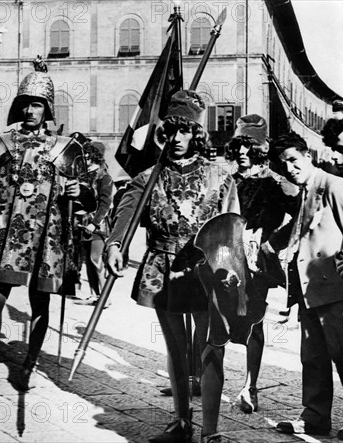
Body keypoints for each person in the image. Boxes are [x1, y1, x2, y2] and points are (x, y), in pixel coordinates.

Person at [106, 90, 259, 442]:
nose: (177, 139)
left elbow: (231, 226)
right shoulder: (148, 177)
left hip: (206, 271)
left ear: (197, 134)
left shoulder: (219, 176)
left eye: (186, 131)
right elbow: (126, 214)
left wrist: (234, 273)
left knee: (208, 349)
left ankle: (210, 431)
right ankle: (181, 423)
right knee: (175, 349)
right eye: (172, 131)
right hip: (163, 268)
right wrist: (115, 244)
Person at [0, 69, 95, 389]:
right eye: (25, 103)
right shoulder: (0, 145)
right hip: (8, 233)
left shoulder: (67, 148)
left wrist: (77, 192)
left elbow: (89, 195)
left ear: (47, 109)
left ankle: (28, 364)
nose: (30, 110)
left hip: (48, 237)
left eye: (37, 104)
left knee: (40, 303)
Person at [266, 133, 343, 441]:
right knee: (312, 357)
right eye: (283, 163)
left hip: (334, 290)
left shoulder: (335, 186)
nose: (289, 167)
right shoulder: (305, 191)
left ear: (308, 155)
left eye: (293, 159)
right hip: (308, 289)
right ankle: (314, 418)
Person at [224, 114, 298, 413]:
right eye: (239, 146)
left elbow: (303, 215)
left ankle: (250, 386)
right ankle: (196, 376)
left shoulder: (276, 184)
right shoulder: (225, 179)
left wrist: (273, 244)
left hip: (254, 264)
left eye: (250, 147)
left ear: (260, 151)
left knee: (253, 321)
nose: (243, 153)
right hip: (222, 259)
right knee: (213, 318)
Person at [74, 141, 113, 306]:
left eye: (89, 155)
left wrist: (95, 224)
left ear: (96, 156)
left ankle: (105, 296)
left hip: (98, 225)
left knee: (95, 258)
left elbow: (105, 204)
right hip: (83, 223)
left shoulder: (104, 177)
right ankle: (93, 294)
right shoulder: (84, 175)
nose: (86, 158)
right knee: (88, 261)